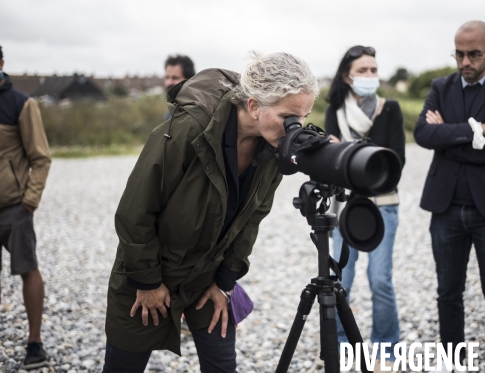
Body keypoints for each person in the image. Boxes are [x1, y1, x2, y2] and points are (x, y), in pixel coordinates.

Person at [102, 52, 319, 373]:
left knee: (221, 365)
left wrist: (225, 281)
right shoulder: (189, 129)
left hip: (209, 278)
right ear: (254, 106)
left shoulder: (274, 146)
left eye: (304, 116)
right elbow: (135, 212)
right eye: (288, 116)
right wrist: (147, 282)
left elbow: (252, 219)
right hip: (150, 274)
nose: (295, 128)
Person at [414, 21, 485, 372]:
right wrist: (478, 130)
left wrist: (449, 133)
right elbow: (422, 133)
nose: (465, 61)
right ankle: (453, 365)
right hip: (445, 207)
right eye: (459, 53)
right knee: (448, 294)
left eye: (473, 54)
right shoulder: (440, 85)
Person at [324, 45, 406, 368]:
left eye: (374, 70)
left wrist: (348, 151)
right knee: (342, 280)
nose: (371, 76)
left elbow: (396, 161)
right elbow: (330, 162)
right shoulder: (336, 110)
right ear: (348, 76)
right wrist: (368, 158)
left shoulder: (391, 108)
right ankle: (345, 347)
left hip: (383, 204)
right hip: (345, 206)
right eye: (363, 71)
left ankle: (387, 348)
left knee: (380, 279)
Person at [0, 45, 52, 369]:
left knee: (28, 270)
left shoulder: (21, 104)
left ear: (2, 62)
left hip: (13, 210)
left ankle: (35, 343)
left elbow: (41, 158)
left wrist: (28, 203)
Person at [164, 55, 195, 120]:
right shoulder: (172, 110)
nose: (169, 82)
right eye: (167, 77)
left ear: (189, 80)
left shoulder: (195, 110)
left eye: (175, 78)